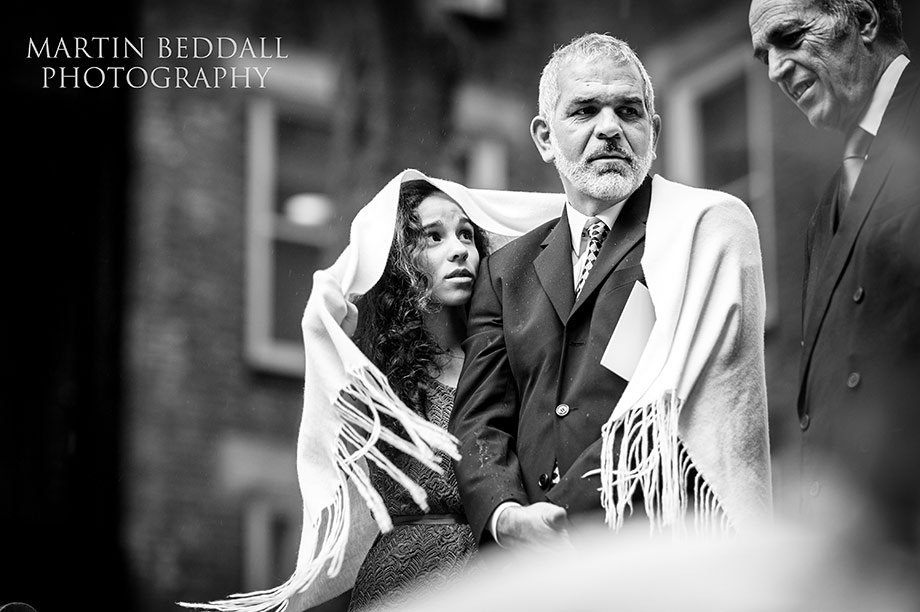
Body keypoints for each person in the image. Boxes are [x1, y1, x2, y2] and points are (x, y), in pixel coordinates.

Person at [449, 32, 774, 550]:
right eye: (584, 111)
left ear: (654, 131)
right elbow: (479, 420)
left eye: (628, 111)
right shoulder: (504, 271)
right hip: (518, 564)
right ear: (544, 138)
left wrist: (560, 520)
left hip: (651, 553)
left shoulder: (701, 231)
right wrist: (506, 516)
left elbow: (673, 408)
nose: (609, 128)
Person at [749, 0, 920, 550]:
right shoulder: (828, 204)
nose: (775, 69)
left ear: (864, 20)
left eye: (789, 36)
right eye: (764, 55)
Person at [342, 179, 486, 611]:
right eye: (434, 237)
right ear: (401, 259)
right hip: (404, 582)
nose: (459, 250)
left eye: (466, 234)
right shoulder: (374, 368)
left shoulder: (502, 358)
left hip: (498, 578)